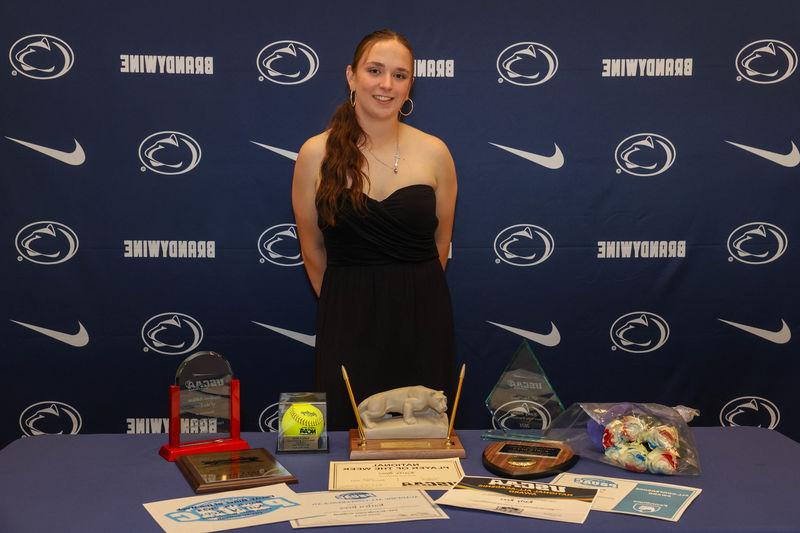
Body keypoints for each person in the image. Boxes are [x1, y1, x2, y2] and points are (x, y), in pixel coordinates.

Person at [292, 29, 457, 430]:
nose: (386, 84)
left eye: (399, 75)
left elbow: (441, 242)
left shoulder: (435, 152)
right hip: (347, 323)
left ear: (410, 84)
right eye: (375, 70)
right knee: (345, 445)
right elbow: (312, 249)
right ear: (351, 77)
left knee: (424, 442)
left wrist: (411, 293)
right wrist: (345, 303)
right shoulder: (316, 153)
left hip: (423, 320)